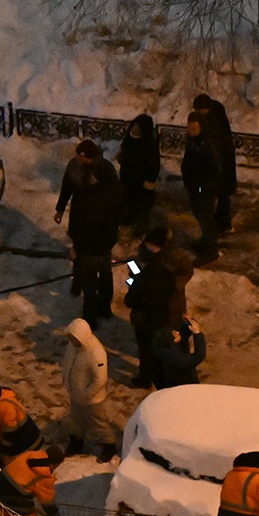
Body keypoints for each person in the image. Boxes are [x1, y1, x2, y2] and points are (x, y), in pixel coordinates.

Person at [56, 139, 122, 323]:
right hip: (104, 245)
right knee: (105, 275)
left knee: (90, 281)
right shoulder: (110, 197)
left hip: (89, 247)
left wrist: (77, 246)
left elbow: (83, 228)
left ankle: (90, 317)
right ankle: (104, 308)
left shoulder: (87, 202)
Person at [123, 226, 176, 387]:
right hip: (162, 317)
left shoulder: (145, 276)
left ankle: (145, 378)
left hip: (144, 320)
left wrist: (133, 283)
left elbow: (130, 300)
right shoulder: (167, 270)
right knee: (159, 350)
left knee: (146, 351)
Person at [60, 317, 115, 459]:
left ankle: (109, 444)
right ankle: (77, 441)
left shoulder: (96, 353)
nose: (72, 341)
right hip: (76, 394)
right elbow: (67, 363)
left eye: (74, 338)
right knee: (76, 420)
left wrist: (87, 393)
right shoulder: (73, 347)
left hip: (91, 399)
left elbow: (100, 379)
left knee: (98, 423)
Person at [191, 93, 238, 237]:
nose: (198, 114)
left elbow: (214, 142)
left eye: (200, 111)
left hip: (222, 163)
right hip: (221, 162)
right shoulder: (215, 114)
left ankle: (225, 224)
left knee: (222, 193)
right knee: (221, 192)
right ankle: (220, 218)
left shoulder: (214, 121)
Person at [0, 442, 65, 516]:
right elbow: (47, 501)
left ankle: (1, 511)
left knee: (27, 501)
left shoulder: (32, 454)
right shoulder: (46, 476)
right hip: (12, 492)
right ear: (56, 463)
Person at [180, 115, 221, 256]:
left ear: (201, 127)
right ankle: (206, 242)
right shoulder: (193, 141)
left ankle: (211, 251)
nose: (190, 130)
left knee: (205, 217)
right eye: (189, 127)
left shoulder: (207, 144)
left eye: (194, 128)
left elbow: (214, 169)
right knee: (199, 214)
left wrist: (202, 187)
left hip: (204, 189)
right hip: (194, 187)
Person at [116, 113, 161, 235]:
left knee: (141, 207)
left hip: (141, 183)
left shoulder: (149, 145)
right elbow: (125, 153)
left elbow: (154, 165)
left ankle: (141, 231)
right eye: (134, 125)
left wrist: (149, 181)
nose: (134, 129)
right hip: (127, 179)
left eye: (138, 127)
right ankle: (127, 222)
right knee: (127, 203)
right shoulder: (129, 138)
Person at [147, 316, 206, 389]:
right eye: (175, 334)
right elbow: (198, 356)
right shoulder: (174, 358)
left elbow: (182, 335)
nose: (178, 332)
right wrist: (197, 333)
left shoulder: (163, 346)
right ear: (171, 341)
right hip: (184, 387)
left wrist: (189, 322)